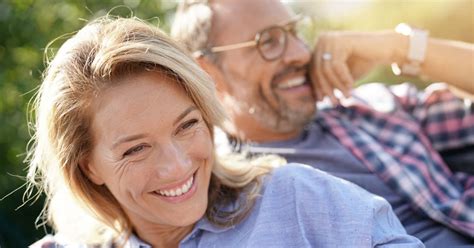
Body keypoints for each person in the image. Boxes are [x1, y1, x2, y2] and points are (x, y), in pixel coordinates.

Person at [26, 16, 422, 247]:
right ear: (89, 166)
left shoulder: (299, 200)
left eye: (187, 126)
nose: (177, 166)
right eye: (135, 150)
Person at [171, 0, 474, 246]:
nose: (301, 54)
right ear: (207, 73)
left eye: (295, 32)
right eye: (269, 41)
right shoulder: (223, 189)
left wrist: (399, 47)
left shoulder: (371, 107)